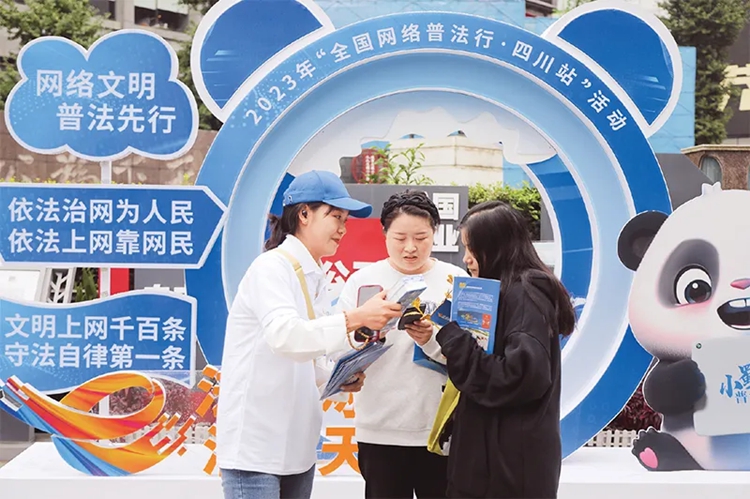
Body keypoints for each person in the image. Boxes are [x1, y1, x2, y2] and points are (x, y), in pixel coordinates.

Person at [216, 170, 403, 499]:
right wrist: (355, 318)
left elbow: (306, 356)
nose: (343, 229)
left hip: (297, 452)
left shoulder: (313, 275)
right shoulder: (271, 268)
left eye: (345, 220)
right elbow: (285, 337)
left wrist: (336, 378)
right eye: (336, 217)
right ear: (304, 214)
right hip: (256, 451)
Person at [434, 200, 576, 499]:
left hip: (506, 470)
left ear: (496, 247)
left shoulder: (525, 294)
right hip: (493, 463)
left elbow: (518, 376)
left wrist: (455, 340)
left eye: (472, 249)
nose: (466, 259)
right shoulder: (506, 290)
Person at [337, 190, 468, 499]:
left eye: (421, 237)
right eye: (400, 238)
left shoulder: (455, 279)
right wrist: (365, 335)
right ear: (384, 234)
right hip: (379, 429)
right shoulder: (362, 281)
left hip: (440, 430)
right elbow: (339, 345)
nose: (410, 247)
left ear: (435, 234)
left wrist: (432, 340)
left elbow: (472, 355)